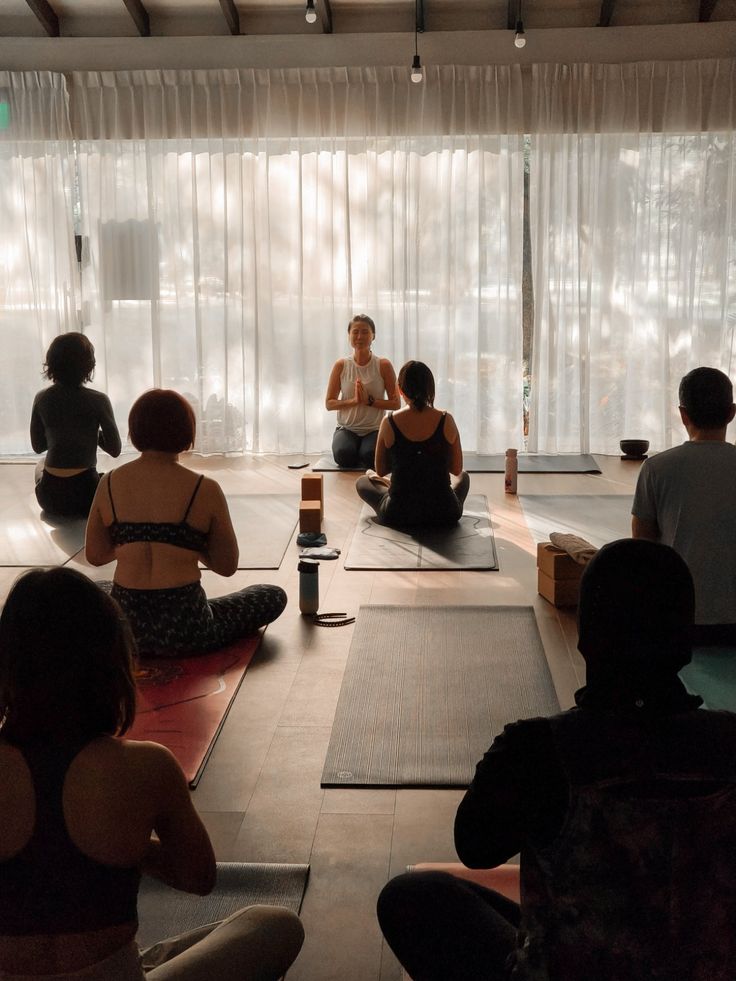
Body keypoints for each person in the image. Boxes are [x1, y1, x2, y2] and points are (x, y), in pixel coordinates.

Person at [377, 539, 736, 980]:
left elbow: (475, 848)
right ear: (686, 637)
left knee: (414, 895)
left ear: (586, 636)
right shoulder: (729, 740)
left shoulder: (539, 748)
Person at [0, 567, 304, 981]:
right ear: (109, 661)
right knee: (272, 924)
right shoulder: (146, 765)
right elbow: (198, 877)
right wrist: (122, 844)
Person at [85, 389, 286, 657]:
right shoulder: (205, 488)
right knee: (271, 595)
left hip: (126, 632)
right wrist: (185, 543)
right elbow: (226, 566)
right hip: (190, 628)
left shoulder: (108, 482)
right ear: (186, 432)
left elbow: (96, 555)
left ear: (134, 431)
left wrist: (131, 543)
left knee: (97, 591)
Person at [632, 365, 736, 645]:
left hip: (678, 620)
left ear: (683, 414)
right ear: (732, 412)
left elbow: (642, 548)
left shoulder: (656, 468)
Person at [355, 360, 470, 527]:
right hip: (444, 512)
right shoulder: (446, 420)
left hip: (398, 513)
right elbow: (456, 469)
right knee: (464, 476)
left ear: (400, 390)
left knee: (362, 482)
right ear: (430, 389)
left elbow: (380, 470)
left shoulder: (389, 421)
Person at [30, 332, 121, 517]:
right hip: (87, 497)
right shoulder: (99, 400)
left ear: (51, 363)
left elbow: (38, 446)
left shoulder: (42, 398)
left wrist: (60, 431)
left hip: (49, 498)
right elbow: (115, 449)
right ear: (89, 365)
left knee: (40, 465)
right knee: (109, 478)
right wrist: (89, 432)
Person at [325, 314, 400, 468]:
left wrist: (369, 401)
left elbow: (396, 404)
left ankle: (363, 450)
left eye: (365, 332)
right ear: (349, 336)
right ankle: (354, 448)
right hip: (346, 428)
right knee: (343, 456)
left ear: (373, 336)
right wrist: (354, 401)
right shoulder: (341, 365)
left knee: (370, 457)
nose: (360, 336)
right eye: (355, 332)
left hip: (374, 428)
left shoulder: (383, 365)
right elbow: (329, 404)